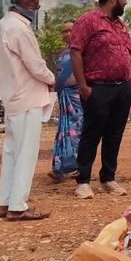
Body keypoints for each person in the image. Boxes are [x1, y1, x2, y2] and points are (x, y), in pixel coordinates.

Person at [0, 0, 56, 221]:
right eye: (37, 5)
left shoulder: (1, 26)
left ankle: (5, 201)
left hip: (12, 97)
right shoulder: (19, 28)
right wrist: (53, 80)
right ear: (29, 4)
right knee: (26, 155)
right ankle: (18, 206)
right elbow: (35, 65)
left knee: (12, 152)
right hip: (27, 97)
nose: (37, 9)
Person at [70, 0, 131, 199]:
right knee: (91, 134)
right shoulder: (88, 20)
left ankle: (108, 178)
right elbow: (75, 52)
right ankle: (83, 181)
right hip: (98, 88)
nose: (125, 2)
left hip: (122, 88)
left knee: (114, 135)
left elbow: (127, 54)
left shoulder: (120, 25)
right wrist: (83, 86)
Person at [50, 21, 82, 183]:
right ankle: (60, 166)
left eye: (71, 30)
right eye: (64, 31)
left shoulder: (84, 50)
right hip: (64, 97)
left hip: (77, 98)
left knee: (76, 132)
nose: (67, 34)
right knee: (63, 133)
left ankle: (76, 166)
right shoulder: (63, 54)